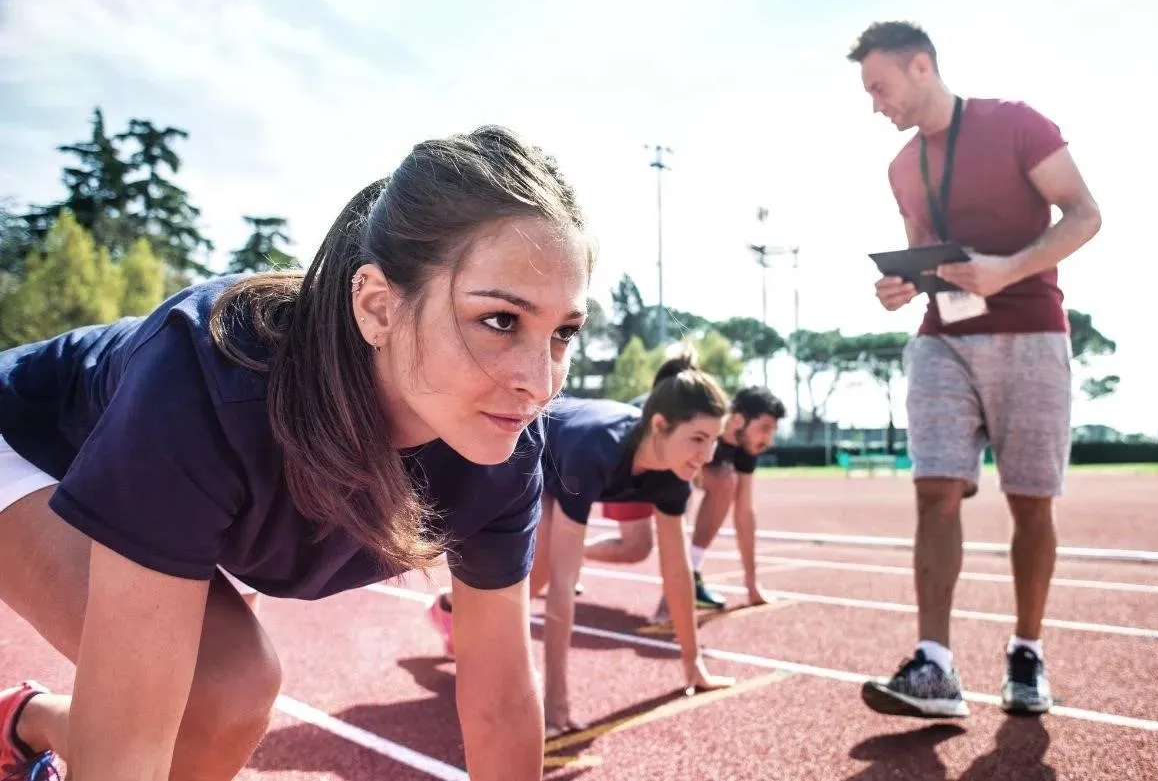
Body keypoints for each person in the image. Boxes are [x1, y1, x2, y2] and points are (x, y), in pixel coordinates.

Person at [0, 125, 593, 781]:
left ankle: (29, 721)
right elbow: (125, 757)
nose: (538, 384)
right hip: (36, 444)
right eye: (501, 321)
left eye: (563, 333)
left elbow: (501, 701)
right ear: (377, 306)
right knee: (223, 685)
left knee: (198, 711)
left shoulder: (504, 446)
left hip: (222, 491)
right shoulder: (206, 378)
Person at [846, 21, 1102, 718]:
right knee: (934, 489)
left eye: (879, 86)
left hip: (1031, 333)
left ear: (921, 66)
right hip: (944, 339)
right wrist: (902, 289)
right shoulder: (901, 167)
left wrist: (1006, 271)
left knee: (1030, 502)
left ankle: (1027, 650)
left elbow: (1085, 214)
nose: (875, 104)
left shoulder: (1017, 123)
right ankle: (934, 666)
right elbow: (925, 257)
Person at [525, 353, 737, 737]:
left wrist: (693, 664)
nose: (707, 456)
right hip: (542, 446)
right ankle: (459, 609)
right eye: (698, 439)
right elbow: (564, 585)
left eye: (715, 441)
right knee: (540, 571)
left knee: (539, 573)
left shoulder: (674, 473)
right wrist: (555, 703)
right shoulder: (594, 450)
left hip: (584, 456)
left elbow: (676, 571)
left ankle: (457, 610)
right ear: (660, 425)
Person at [682, 386, 787, 611]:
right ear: (738, 419)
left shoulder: (746, 447)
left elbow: (744, 513)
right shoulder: (702, 423)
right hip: (633, 458)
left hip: (688, 473)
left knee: (726, 480)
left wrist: (751, 583)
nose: (768, 440)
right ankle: (682, 577)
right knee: (635, 546)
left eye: (773, 430)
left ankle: (692, 573)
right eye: (764, 428)